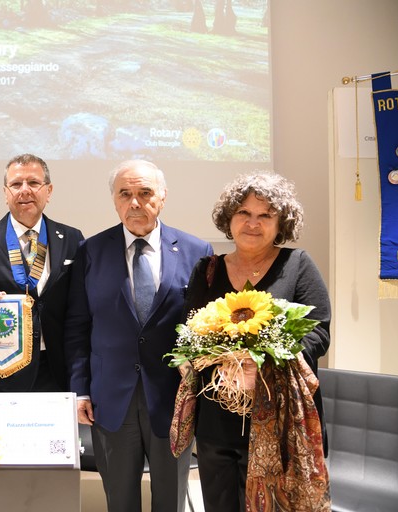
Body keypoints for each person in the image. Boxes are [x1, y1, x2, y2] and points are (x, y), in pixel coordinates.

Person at [65, 159, 213, 512]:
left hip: (173, 398)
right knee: (120, 500)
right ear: (114, 201)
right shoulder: (91, 251)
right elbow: (77, 326)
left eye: (145, 193)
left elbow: (206, 328)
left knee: (170, 499)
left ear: (162, 197)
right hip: (110, 398)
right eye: (125, 194)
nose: (135, 203)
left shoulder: (197, 252)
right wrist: (79, 388)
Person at [183, 171, 331, 512]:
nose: (253, 223)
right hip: (217, 421)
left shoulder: (298, 265)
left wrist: (264, 360)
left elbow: (318, 332)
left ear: (281, 223)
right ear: (228, 219)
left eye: (265, 215)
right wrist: (219, 359)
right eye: (244, 213)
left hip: (280, 422)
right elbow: (190, 333)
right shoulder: (206, 269)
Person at [0, 154, 83, 393]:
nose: (24, 190)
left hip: (59, 370)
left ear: (49, 190)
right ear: (5, 193)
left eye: (34, 183)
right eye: (16, 184)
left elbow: (81, 306)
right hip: (3, 370)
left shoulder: (72, 238)